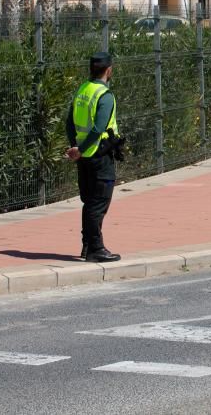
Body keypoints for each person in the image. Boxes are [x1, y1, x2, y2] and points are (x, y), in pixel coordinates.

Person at [65, 52, 122, 263]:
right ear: (109, 70)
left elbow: (69, 122)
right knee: (98, 203)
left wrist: (75, 147)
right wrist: (81, 149)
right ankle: (95, 248)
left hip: (83, 158)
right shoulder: (104, 95)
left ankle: (87, 245)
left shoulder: (83, 89)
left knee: (89, 202)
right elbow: (98, 128)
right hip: (99, 156)